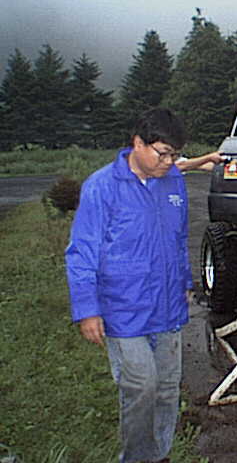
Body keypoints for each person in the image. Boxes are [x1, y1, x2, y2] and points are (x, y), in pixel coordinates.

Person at [65, 108, 202, 463]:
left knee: (167, 389)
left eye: (174, 155)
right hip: (122, 308)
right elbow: (81, 251)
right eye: (163, 153)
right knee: (141, 386)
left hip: (168, 305)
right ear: (138, 143)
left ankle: (160, 453)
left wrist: (185, 281)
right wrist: (87, 309)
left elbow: (178, 238)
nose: (169, 162)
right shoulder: (102, 187)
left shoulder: (173, 181)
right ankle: (138, 457)